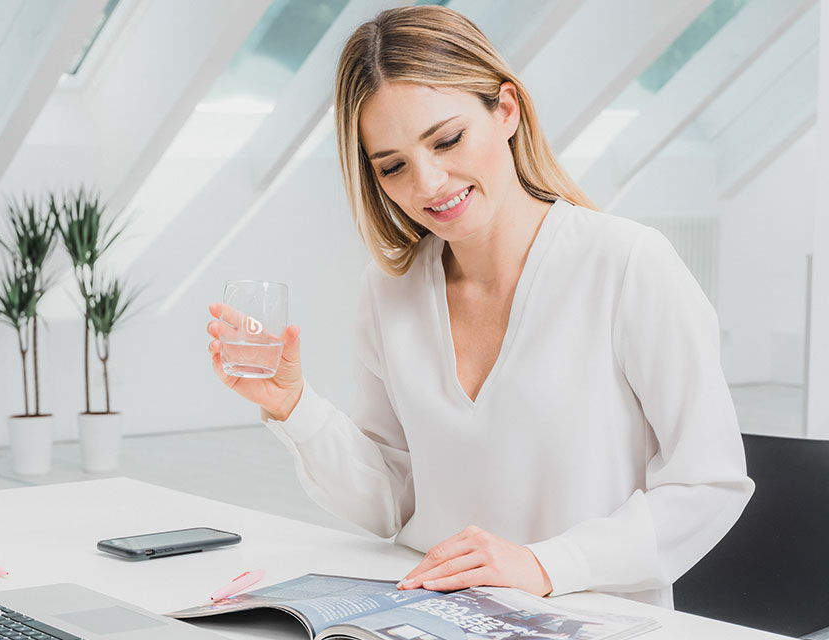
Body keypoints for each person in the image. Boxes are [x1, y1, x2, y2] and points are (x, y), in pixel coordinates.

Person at [205, 5, 753, 609]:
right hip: (434, 615)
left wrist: (544, 564)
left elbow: (709, 482)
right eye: (393, 166)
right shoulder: (390, 291)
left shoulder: (626, 265)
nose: (430, 184)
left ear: (507, 110)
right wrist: (293, 406)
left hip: (588, 620)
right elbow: (392, 501)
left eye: (447, 139)